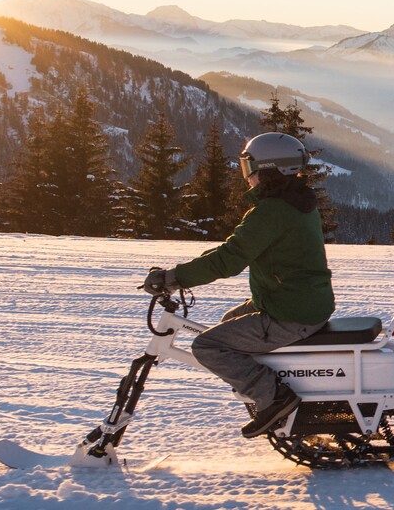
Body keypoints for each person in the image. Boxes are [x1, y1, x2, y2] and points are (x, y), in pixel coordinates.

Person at [143, 132, 335, 438]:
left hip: (289, 312)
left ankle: (277, 398)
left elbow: (229, 260)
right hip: (299, 301)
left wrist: (173, 278)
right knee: (228, 323)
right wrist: (180, 273)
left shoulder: (271, 212)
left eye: (251, 168)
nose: (248, 177)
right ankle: (275, 391)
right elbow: (231, 250)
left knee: (207, 345)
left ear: (269, 169)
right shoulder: (296, 203)